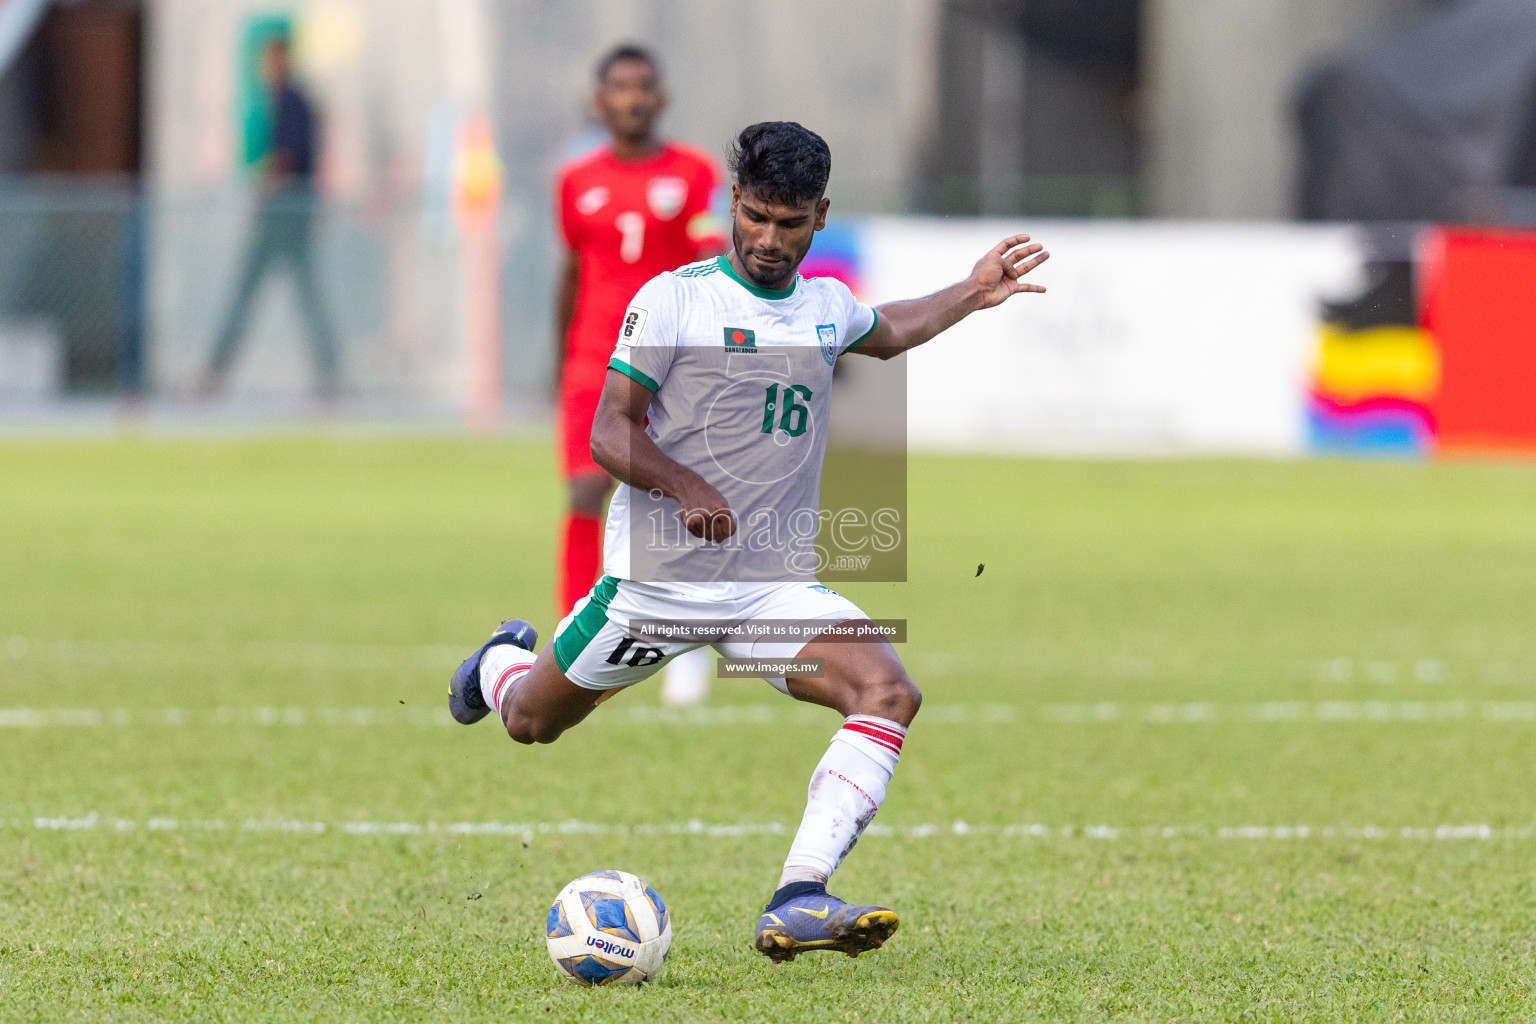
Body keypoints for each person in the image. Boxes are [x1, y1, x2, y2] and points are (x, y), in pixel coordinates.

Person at [448, 121, 1048, 963]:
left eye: (790, 223)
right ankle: (495, 665)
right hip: (653, 587)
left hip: (769, 589)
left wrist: (972, 289)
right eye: (757, 216)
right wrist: (683, 484)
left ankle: (800, 894)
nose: (768, 240)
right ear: (734, 203)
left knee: (888, 693)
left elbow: (893, 330)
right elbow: (608, 432)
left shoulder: (826, 306)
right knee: (528, 723)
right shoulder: (676, 299)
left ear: (820, 216)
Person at [552, 44, 726, 705]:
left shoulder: (692, 173)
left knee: (671, 499)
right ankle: (574, 637)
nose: (631, 98)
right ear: (600, 102)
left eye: (642, 86)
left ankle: (683, 643)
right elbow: (570, 274)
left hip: (667, 361)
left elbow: (709, 260)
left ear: (661, 98)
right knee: (582, 492)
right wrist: (558, 360)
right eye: (618, 87)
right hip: (591, 357)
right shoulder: (574, 181)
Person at [202, 35, 338, 398]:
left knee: (259, 295)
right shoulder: (284, 101)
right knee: (291, 296)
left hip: (284, 216)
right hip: (285, 214)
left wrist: (262, 188)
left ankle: (214, 375)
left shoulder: (292, 102)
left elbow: (287, 161)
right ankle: (215, 374)